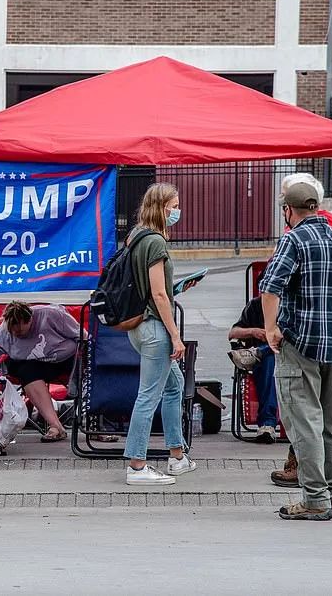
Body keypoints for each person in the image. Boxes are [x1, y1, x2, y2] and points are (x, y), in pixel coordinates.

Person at [260, 181, 332, 521]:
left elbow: (270, 288)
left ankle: (315, 499)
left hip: (300, 343)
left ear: (289, 210)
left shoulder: (293, 239)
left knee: (304, 423)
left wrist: (271, 328)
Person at [122, 183, 195, 486]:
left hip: (139, 326)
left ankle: (177, 456)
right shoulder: (156, 243)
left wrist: (177, 287)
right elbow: (159, 295)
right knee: (149, 395)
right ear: (164, 208)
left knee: (173, 386)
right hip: (154, 328)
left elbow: (152, 290)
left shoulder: (135, 237)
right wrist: (176, 336)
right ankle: (137, 466)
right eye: (175, 205)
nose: (178, 211)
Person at [0, 301, 80, 442]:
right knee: (26, 371)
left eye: (20, 330)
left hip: (64, 358)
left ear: (30, 320)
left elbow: (82, 336)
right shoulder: (3, 332)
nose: (16, 333)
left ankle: (94, 425)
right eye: (12, 330)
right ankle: (56, 426)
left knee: (85, 368)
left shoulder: (51, 315)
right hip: (29, 364)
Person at [228, 296, 277, 443]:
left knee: (275, 349)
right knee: (269, 363)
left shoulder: (291, 303)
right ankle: (267, 425)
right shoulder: (255, 305)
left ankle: (259, 352)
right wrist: (253, 331)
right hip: (265, 363)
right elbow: (232, 333)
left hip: (290, 355)